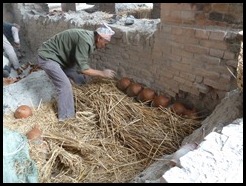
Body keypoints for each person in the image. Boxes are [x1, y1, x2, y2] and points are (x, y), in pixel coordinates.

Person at [37, 23, 116, 122]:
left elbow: (81, 64)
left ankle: (81, 103)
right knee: (65, 86)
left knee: (80, 79)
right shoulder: (86, 41)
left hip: (62, 59)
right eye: (105, 43)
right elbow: (84, 69)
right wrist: (102, 73)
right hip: (48, 57)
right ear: (99, 38)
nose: (104, 46)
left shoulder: (91, 39)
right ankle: (66, 118)